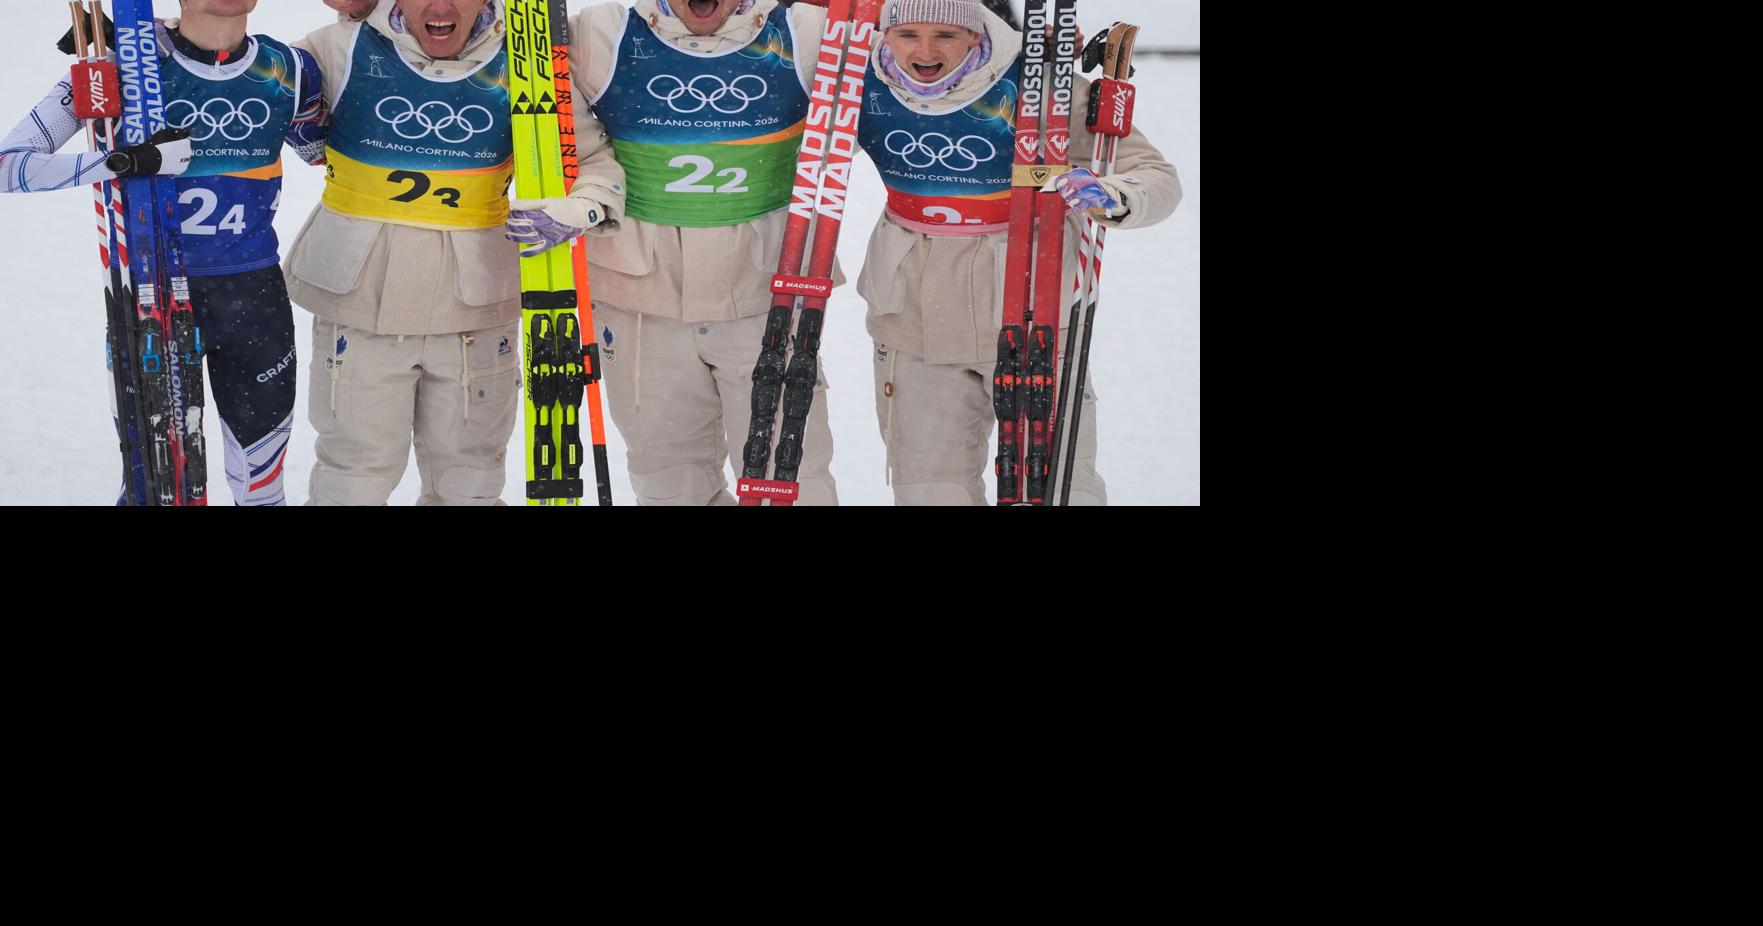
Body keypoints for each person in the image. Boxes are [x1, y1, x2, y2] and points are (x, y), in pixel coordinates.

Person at [294, 0, 622, 505]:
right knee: (353, 473)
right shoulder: (341, 46)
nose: (442, 6)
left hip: (473, 307)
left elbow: (592, 157)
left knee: (469, 478)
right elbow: (244, 81)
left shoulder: (528, 64)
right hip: (361, 298)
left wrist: (583, 208)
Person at [1, 0, 326, 506]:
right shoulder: (122, 65)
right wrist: (129, 161)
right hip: (150, 297)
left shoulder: (290, 69)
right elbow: (9, 166)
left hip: (254, 297)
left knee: (262, 489)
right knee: (154, 486)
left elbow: (326, 151)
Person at [855, 0, 1179, 504]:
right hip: (912, 320)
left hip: (1036, 310)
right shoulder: (861, 79)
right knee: (929, 491)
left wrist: (1113, 195)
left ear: (977, 32)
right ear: (885, 33)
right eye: (908, 33)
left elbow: (1156, 178)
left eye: (945, 34)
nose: (924, 51)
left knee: (1057, 489)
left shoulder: (1044, 89)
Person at [550, 0, 841, 506]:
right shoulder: (604, 32)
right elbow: (511, 75)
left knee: (791, 482)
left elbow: (910, 75)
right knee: (669, 482)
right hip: (641, 296)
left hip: (766, 292)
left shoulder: (804, 31)